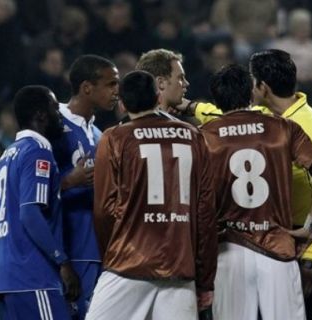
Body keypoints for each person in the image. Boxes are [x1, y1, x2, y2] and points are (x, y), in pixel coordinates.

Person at [181, 49, 312, 320]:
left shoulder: (205, 136)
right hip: (278, 245)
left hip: (229, 249)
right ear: (251, 92)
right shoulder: (282, 127)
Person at [86, 70, 217, 320]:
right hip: (180, 269)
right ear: (158, 96)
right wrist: (204, 277)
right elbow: (205, 212)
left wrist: (111, 254)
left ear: (122, 103)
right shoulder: (193, 136)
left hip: (127, 264)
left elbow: (104, 209)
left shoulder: (114, 138)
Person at [0, 85, 80, 319]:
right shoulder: (38, 149)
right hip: (34, 276)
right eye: (54, 107)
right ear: (41, 115)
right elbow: (30, 213)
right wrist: (62, 260)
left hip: (6, 279)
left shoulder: (8, 153)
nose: (59, 114)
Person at [51, 54, 119, 319]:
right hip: (70, 245)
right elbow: (29, 185)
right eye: (111, 84)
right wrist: (68, 181)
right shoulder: (53, 124)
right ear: (87, 87)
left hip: (97, 246)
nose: (116, 91)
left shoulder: (99, 134)